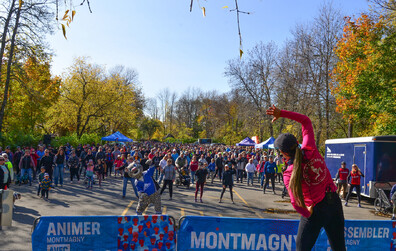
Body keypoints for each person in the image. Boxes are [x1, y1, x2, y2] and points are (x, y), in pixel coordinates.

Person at [266, 105, 345, 251]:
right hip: (334, 203)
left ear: (283, 153)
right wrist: (281, 112)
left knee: (301, 248)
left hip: (314, 210)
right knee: (339, 247)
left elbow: (295, 203)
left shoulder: (289, 173)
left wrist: (306, 212)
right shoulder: (310, 148)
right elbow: (305, 120)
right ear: (297, 143)